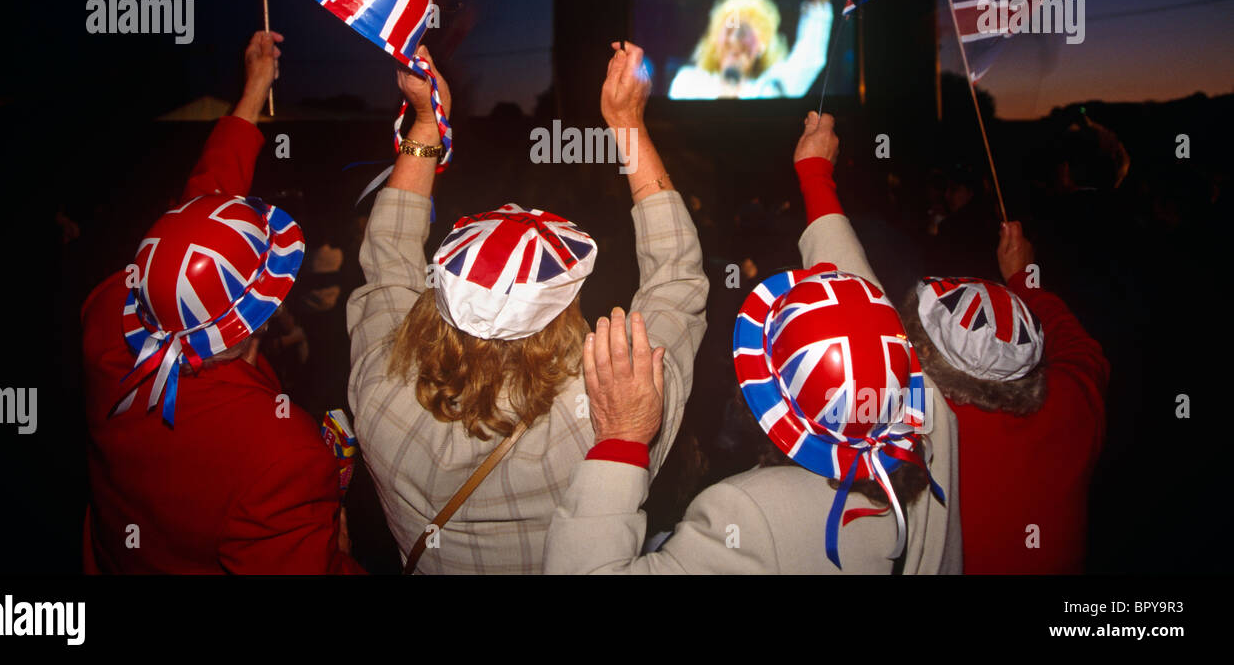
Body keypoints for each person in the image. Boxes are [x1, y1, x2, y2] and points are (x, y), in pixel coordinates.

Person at [543, 112, 962, 574]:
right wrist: (815, 174)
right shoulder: (933, 424)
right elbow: (863, 309)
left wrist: (621, 440)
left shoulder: (750, 514)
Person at [348, 42, 708, 574]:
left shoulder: (379, 390)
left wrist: (427, 123)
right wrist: (627, 122)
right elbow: (677, 276)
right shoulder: (606, 423)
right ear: (562, 316)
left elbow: (387, 259)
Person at [80, 31, 361, 574]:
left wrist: (254, 88)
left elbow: (198, 216)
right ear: (261, 313)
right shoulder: (280, 453)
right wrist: (340, 557)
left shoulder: (106, 315)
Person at [900, 221, 1109, 574]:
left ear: (926, 354)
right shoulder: (1074, 405)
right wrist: (1024, 278)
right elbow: (1081, 348)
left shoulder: (918, 433)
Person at [668, 0, 833, 100]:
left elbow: (809, 58)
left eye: (744, 33)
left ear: (762, 44)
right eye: (729, 30)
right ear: (715, 39)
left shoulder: (772, 89)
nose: (734, 41)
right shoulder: (688, 83)